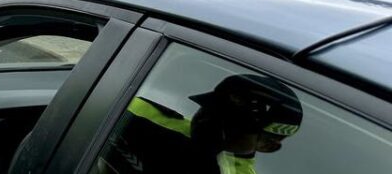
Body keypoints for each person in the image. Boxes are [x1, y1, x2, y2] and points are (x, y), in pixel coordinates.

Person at [98, 73, 304, 174]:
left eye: (230, 124)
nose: (206, 121)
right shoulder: (141, 113)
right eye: (210, 108)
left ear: (267, 146)